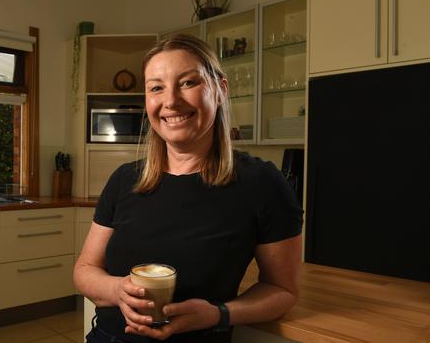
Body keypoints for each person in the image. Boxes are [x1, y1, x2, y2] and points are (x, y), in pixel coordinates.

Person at [73, 34, 303, 343]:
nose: (170, 101)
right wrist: (116, 290)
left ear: (220, 90)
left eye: (187, 83)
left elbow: (283, 290)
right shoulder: (124, 180)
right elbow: (85, 270)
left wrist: (219, 313)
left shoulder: (261, 183)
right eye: (156, 87)